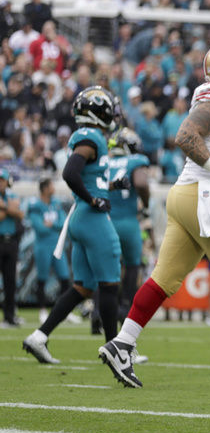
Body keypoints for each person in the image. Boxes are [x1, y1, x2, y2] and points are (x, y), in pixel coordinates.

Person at [98, 40, 210, 388]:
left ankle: (122, 343)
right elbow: (186, 136)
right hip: (205, 192)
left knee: (164, 278)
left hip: (189, 193)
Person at [23, 86, 122, 362]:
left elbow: (90, 179)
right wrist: (93, 200)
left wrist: (111, 187)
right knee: (110, 283)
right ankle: (116, 350)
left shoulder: (90, 138)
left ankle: (39, 337)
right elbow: (70, 173)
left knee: (83, 287)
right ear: (98, 112)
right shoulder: (91, 136)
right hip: (91, 218)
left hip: (81, 218)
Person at [107, 128, 150, 317]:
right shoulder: (136, 161)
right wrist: (146, 204)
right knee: (132, 265)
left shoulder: (105, 161)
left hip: (106, 221)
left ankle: (99, 313)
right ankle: (125, 309)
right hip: (128, 221)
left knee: (106, 268)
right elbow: (140, 183)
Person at [27, 178, 69, 323]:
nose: (53, 188)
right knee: (42, 279)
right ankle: (42, 310)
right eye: (51, 186)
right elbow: (39, 227)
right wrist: (53, 225)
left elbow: (63, 223)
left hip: (56, 245)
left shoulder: (56, 203)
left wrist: (51, 224)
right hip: (42, 246)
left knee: (64, 278)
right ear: (44, 188)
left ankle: (66, 311)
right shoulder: (35, 205)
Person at [0, 169, 23, 327]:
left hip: (11, 242)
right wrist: (9, 209)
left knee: (10, 281)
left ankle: (9, 316)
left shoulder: (12, 196)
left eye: (2, 180)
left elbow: (19, 213)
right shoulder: (11, 199)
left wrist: (4, 207)